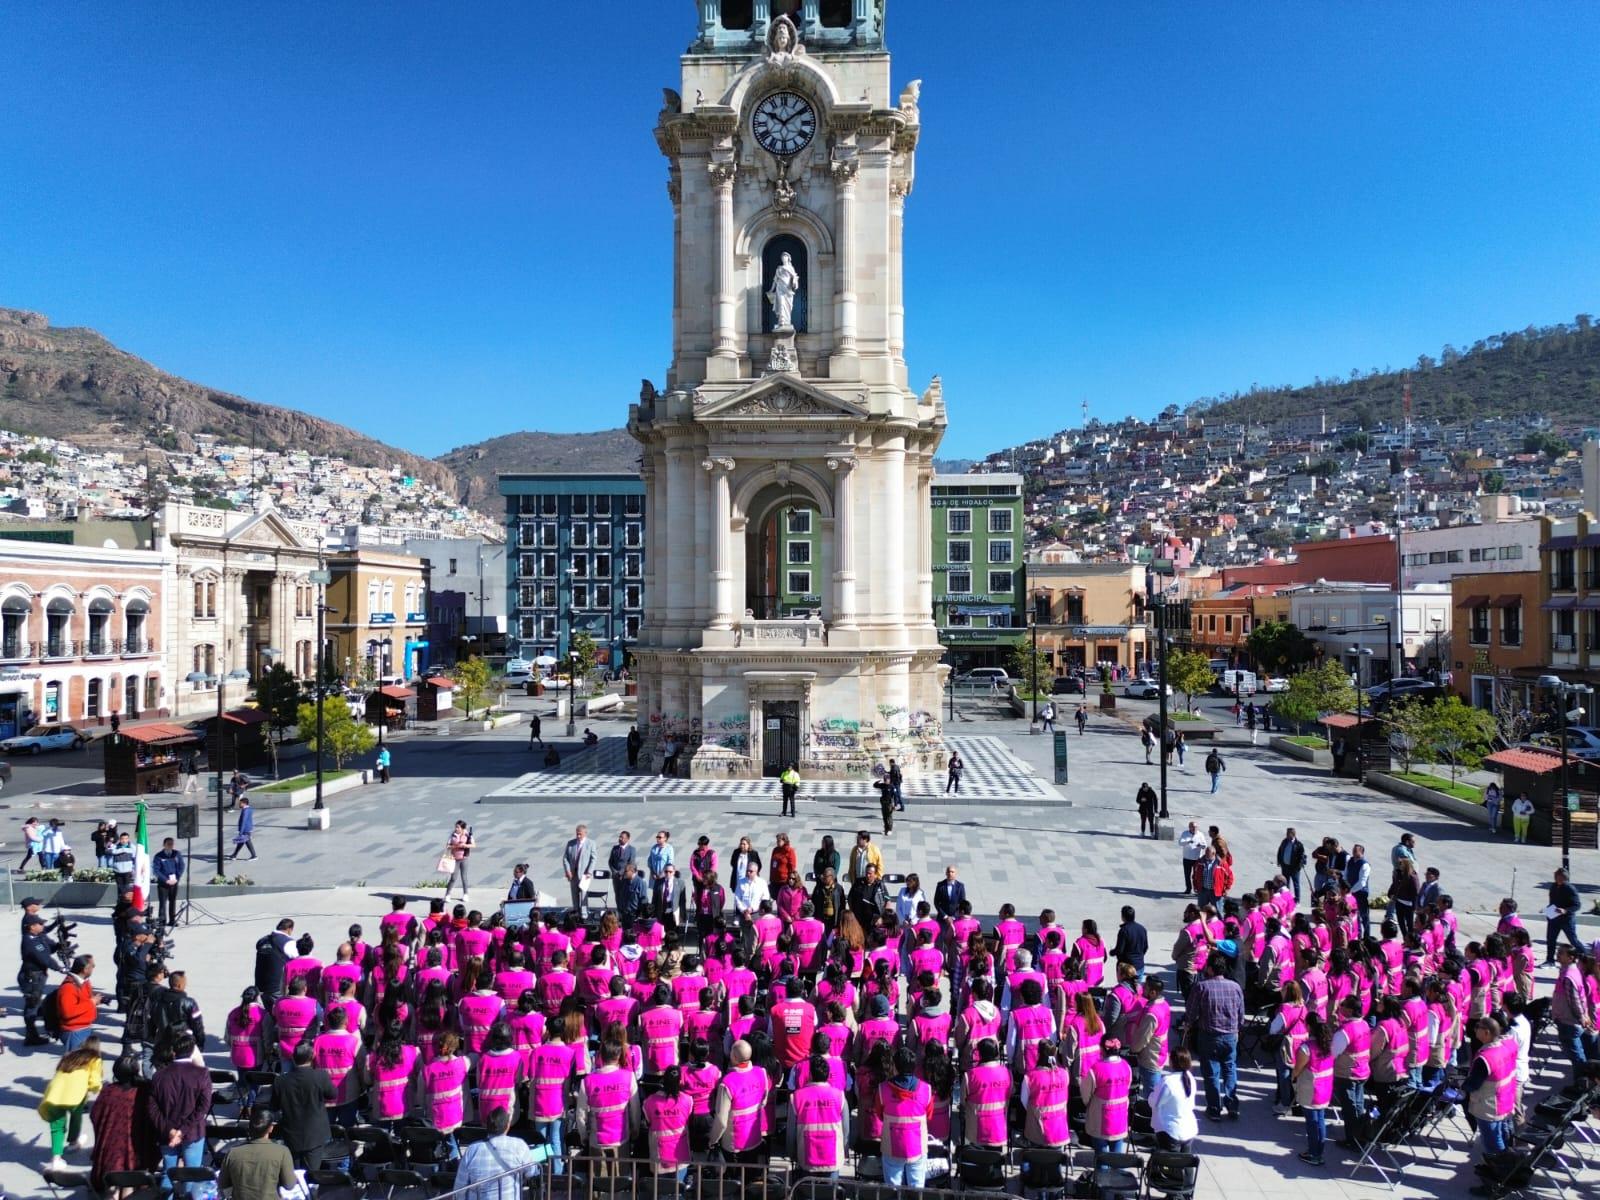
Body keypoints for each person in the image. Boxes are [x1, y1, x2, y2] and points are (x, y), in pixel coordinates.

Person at [146, 1031, 212, 1188]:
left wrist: (170, 1130)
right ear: (192, 1052)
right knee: (192, 1174)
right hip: (192, 1132)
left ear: (174, 1052)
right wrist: (182, 1131)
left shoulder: (159, 1076)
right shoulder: (201, 1074)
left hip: (166, 1133)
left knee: (168, 1173)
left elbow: (152, 1108)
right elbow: (203, 1107)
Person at [1185, 956, 1243, 1121]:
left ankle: (1214, 1108)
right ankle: (1232, 1105)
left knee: (1211, 1073)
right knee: (1230, 1069)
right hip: (1231, 1035)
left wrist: (1188, 1024)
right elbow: (1241, 1013)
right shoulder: (1235, 987)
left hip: (1209, 1036)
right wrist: (1238, 1028)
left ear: (1210, 969)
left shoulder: (1201, 987)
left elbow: (1191, 1012)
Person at [38, 1034, 102, 1172]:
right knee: (76, 1118)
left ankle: (56, 1158)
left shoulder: (69, 1056)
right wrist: (96, 1090)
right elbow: (95, 1081)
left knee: (57, 1127)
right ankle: (73, 1141)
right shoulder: (94, 1059)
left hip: (54, 1094)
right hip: (75, 1095)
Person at [91, 1053, 153, 1195]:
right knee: (129, 1185)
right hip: (135, 1149)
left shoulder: (108, 1092)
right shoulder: (142, 1092)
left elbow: (95, 1115)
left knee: (111, 1188)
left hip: (110, 1149)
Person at [878, 1044, 934, 1186]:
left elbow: (879, 1114)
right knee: (917, 1187)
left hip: (891, 1146)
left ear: (895, 1066)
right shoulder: (926, 1089)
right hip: (917, 1147)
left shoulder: (882, 1088)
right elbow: (929, 1115)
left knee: (892, 1187)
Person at [456, 1107, 539, 1200]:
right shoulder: (519, 1145)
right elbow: (531, 1172)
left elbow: (460, 1187)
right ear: (507, 1126)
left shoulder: (471, 1150)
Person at [708, 1039, 770, 1162]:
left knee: (734, 1179)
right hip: (755, 1139)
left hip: (734, 1146)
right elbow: (763, 1102)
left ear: (734, 1056)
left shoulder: (727, 1083)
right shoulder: (761, 1073)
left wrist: (713, 1140)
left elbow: (721, 1121)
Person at [219, 1108, 297, 1200]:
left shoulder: (233, 1152)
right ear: (271, 1128)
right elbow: (289, 1185)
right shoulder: (282, 1152)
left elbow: (223, 1184)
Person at [790, 1054, 848, 1177]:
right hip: (833, 1157)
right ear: (828, 1076)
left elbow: (791, 1132)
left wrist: (792, 1153)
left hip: (806, 1156)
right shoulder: (840, 1096)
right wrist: (844, 1149)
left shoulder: (796, 1097)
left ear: (810, 1075)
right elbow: (846, 1129)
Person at [1293, 1014, 1336, 1166]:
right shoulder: (1329, 1045)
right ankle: (1318, 1152)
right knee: (1320, 1120)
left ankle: (1313, 1154)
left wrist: (1293, 1078)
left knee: (1312, 1123)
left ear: (1309, 1027)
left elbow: (1298, 1068)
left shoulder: (1306, 1048)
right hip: (1325, 1088)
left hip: (1311, 1090)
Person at [19, 913, 62, 1045]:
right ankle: (31, 1036)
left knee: (35, 1004)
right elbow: (45, 959)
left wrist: (59, 945)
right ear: (32, 927)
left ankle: (35, 1029)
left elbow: (48, 950)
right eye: (40, 924)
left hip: (38, 975)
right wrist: (60, 969)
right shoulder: (30, 942)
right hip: (32, 978)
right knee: (32, 1006)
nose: (43, 925)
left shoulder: (37, 937)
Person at [1149, 1046, 1199, 1151]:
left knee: (1172, 1162)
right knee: (1185, 1161)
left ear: (1172, 1062)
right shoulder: (1190, 1077)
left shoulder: (1168, 1082)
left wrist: (1150, 1096)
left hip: (1171, 1131)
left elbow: (1154, 1102)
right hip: (1189, 1128)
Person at [1545, 867, 1584, 963]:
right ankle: (1550, 960)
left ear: (1563, 877)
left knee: (1573, 941)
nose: (1555, 877)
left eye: (1557, 876)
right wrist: (1548, 911)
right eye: (1555, 875)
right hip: (1554, 918)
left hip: (1566, 920)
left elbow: (1577, 905)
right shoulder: (1553, 886)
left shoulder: (1570, 888)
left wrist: (1565, 910)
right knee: (1550, 939)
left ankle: (1584, 958)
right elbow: (1552, 901)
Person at [152, 837, 184, 928]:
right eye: (168, 844)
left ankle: (172, 920)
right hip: (163, 883)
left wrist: (177, 878)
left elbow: (181, 866)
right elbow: (156, 870)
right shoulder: (159, 856)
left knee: (172, 901)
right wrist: (166, 880)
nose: (170, 846)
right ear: (164, 845)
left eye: (172, 844)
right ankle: (162, 921)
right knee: (163, 902)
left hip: (174, 882)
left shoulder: (176, 854)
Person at [563, 824, 594, 912]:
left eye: (580, 834)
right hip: (573, 874)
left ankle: (584, 914)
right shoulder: (571, 843)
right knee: (574, 894)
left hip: (585, 874)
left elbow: (593, 859)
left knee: (584, 895)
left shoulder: (591, 843)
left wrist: (589, 871)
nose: (578, 836)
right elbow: (565, 858)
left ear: (585, 833)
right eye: (577, 834)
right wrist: (568, 870)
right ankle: (576, 912)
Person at [1112, 906, 1148, 982]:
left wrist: (1112, 952)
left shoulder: (1124, 930)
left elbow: (1119, 950)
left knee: (1126, 991)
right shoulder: (1142, 928)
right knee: (1137, 990)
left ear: (1123, 916)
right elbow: (1145, 947)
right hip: (1140, 965)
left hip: (1127, 969)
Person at [444, 820, 474, 903]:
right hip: (454, 858)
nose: (456, 828)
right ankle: (447, 895)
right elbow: (448, 846)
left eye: (458, 827)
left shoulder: (467, 835)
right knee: (453, 877)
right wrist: (455, 846)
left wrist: (465, 845)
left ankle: (465, 894)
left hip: (464, 858)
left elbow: (473, 844)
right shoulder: (453, 835)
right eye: (456, 827)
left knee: (464, 877)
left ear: (462, 828)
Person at [1277, 827, 1306, 902]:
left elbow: (1301, 857)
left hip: (1294, 868)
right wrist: (1279, 861)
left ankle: (1297, 900)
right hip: (1285, 866)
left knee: (1296, 884)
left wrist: (1298, 867)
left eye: (1288, 833)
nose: (1286, 835)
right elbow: (1280, 851)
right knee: (1285, 884)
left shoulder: (1298, 844)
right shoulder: (1284, 841)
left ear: (1293, 834)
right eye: (1286, 833)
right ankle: (1287, 899)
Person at [608, 830, 636, 908]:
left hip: (625, 876)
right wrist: (615, 872)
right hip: (616, 877)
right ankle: (619, 911)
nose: (620, 839)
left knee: (625, 895)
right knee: (617, 895)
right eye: (620, 837)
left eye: (622, 837)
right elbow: (610, 862)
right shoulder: (615, 848)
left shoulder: (631, 850)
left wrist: (622, 872)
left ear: (627, 839)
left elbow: (631, 863)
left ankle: (625, 911)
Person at [1179, 821, 1205, 894]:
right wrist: (1188, 842)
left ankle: (1197, 889)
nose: (1194, 828)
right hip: (1187, 858)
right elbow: (1180, 843)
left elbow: (1204, 845)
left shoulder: (1200, 834)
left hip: (1197, 859)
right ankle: (1188, 888)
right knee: (1187, 875)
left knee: (1197, 875)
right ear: (1189, 827)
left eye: (1196, 827)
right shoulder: (1185, 833)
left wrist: (1201, 845)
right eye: (1192, 827)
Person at [229, 795, 258, 860]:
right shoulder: (249, 809)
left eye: (240, 803)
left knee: (247, 842)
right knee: (241, 842)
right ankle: (234, 855)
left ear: (244, 803)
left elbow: (243, 821)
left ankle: (254, 856)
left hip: (245, 829)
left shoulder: (245, 811)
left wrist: (241, 831)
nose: (239, 804)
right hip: (248, 828)